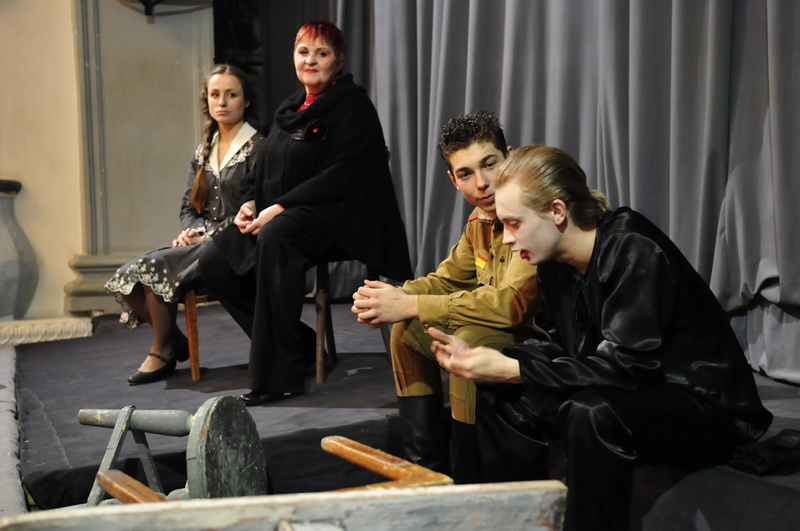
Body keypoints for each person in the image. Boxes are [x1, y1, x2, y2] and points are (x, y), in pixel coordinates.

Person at [429, 144, 773, 531]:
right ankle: (514, 520)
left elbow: (625, 366)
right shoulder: (553, 261)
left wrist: (514, 369)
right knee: (496, 387)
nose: (507, 239)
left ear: (557, 211)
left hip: (703, 404)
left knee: (591, 412)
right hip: (633, 386)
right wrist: (490, 361)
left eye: (514, 224)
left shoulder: (632, 246)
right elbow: (556, 346)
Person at [198, 20, 411, 406]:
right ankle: (296, 343)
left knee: (278, 235)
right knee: (215, 259)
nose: (310, 60)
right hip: (291, 215)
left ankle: (278, 378)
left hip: (341, 216)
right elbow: (264, 167)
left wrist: (280, 207)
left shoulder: (353, 107)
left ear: (339, 61)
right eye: (303, 52)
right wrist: (250, 203)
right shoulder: (291, 107)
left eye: (321, 53)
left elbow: (342, 175)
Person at [351, 111, 542, 483]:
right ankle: (425, 471)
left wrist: (411, 303)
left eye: (490, 164)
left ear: (511, 157)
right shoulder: (479, 222)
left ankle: (466, 476)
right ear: (453, 180)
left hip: (543, 343)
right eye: (466, 173)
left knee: (466, 342)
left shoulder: (530, 213)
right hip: (505, 331)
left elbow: (513, 306)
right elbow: (445, 281)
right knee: (407, 331)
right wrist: (390, 297)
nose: (482, 183)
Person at [105, 64, 264, 385]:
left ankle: (162, 349)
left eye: (231, 95)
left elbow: (253, 206)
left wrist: (207, 236)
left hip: (238, 244)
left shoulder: (259, 147)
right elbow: (188, 207)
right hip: (202, 242)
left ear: (246, 100)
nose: (222, 102)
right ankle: (174, 340)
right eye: (215, 95)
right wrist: (192, 230)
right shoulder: (203, 151)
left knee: (155, 267)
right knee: (127, 276)